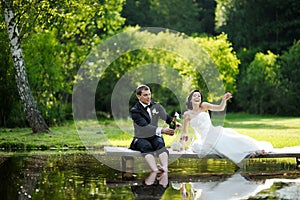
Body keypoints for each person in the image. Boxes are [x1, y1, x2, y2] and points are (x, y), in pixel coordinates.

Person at [180, 90, 273, 166]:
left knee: (231, 138)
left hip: (213, 131)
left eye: (199, 96)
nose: (197, 97)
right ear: (190, 99)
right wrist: (183, 141)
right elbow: (185, 132)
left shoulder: (204, 106)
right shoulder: (187, 115)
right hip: (205, 138)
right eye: (195, 96)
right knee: (213, 146)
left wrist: (224, 99)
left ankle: (254, 150)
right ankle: (246, 154)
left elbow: (220, 108)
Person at [129, 85, 175, 172]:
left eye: (149, 94)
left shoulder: (156, 106)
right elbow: (144, 126)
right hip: (141, 137)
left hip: (154, 136)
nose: (149, 97)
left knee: (160, 144)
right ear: (139, 96)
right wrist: (162, 130)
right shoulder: (135, 110)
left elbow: (166, 117)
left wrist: (174, 123)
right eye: (145, 95)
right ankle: (155, 170)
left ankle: (165, 168)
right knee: (146, 146)